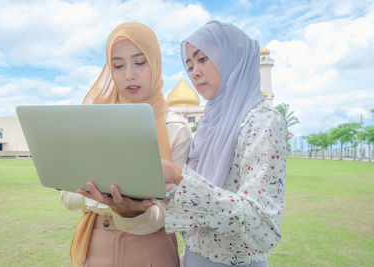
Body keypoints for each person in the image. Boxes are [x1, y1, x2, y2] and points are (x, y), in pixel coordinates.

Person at [60, 22, 192, 267]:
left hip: (152, 252)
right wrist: (112, 203)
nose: (129, 74)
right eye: (118, 66)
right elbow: (68, 197)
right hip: (95, 248)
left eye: (140, 62)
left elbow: (174, 212)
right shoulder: (92, 121)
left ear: (155, 62)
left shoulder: (175, 129)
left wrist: (132, 212)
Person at [161, 21, 288, 267]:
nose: (194, 72)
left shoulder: (262, 122)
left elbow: (262, 225)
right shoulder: (208, 126)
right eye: (189, 65)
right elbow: (197, 205)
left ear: (233, 57)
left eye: (202, 59)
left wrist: (180, 177)